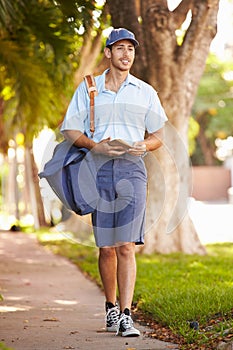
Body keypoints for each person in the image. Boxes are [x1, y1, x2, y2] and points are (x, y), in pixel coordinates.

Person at [61, 28, 168, 337]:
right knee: (106, 248)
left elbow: (159, 135)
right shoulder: (89, 88)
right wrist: (96, 146)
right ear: (108, 53)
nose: (126, 54)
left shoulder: (145, 91)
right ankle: (110, 307)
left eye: (130, 49)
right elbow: (70, 129)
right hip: (98, 170)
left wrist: (143, 146)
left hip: (132, 169)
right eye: (119, 48)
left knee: (126, 246)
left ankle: (125, 314)